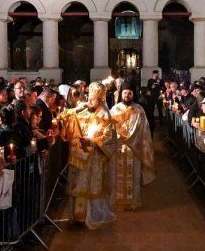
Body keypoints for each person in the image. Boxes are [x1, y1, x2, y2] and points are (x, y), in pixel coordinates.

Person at [60, 82, 117, 229]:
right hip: (78, 157)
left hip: (95, 159)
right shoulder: (82, 110)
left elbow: (110, 138)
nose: (90, 101)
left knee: (91, 187)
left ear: (101, 100)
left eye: (94, 99)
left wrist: (92, 142)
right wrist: (73, 112)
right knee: (77, 186)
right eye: (90, 98)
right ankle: (77, 217)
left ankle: (91, 217)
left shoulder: (105, 116)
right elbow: (65, 119)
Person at [109, 87, 155, 211]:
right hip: (118, 148)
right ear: (121, 94)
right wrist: (118, 137)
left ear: (133, 94)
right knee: (115, 177)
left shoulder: (139, 110)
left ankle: (133, 202)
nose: (127, 95)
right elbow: (110, 128)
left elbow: (144, 129)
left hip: (135, 149)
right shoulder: (114, 110)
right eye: (125, 93)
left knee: (134, 176)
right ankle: (115, 202)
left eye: (130, 93)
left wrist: (132, 140)